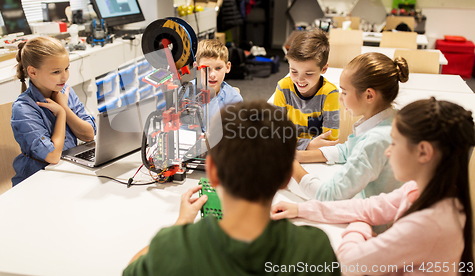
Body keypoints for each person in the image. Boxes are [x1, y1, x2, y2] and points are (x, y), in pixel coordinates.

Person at [123, 101, 340, 276]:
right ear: (286, 178)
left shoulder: (172, 247)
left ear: (212, 172)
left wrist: (181, 223)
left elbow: (130, 270)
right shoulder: (315, 251)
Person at [272, 98, 474, 275]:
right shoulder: (423, 189)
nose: (388, 152)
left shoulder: (427, 224)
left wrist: (359, 226)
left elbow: (349, 263)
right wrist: (302, 209)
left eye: (394, 143)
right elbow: (370, 207)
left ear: (423, 152)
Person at [293, 52, 409, 201]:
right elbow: (349, 149)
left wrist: (292, 168)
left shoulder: (376, 140)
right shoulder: (393, 118)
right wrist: (300, 155)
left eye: (345, 92)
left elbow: (330, 196)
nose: (340, 98)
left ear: (369, 96)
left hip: (375, 219)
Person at [11, 36, 96, 185]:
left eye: (66, 68)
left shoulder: (64, 92)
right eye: (56, 72)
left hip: (68, 170)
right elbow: (53, 156)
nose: (64, 76)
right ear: (33, 72)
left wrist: (64, 108)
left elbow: (89, 135)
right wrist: (62, 115)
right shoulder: (23, 108)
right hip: (38, 179)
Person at [273, 29, 340, 151]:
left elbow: (330, 141)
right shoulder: (283, 87)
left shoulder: (329, 93)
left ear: (324, 68)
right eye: (293, 71)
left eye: (308, 73)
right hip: (289, 152)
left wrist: (293, 144)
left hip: (314, 157)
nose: (300, 79)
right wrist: (308, 145)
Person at [195, 39, 242, 122]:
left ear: (227, 67)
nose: (212, 75)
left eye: (218, 68)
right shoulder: (185, 93)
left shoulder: (234, 99)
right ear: (196, 67)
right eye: (206, 69)